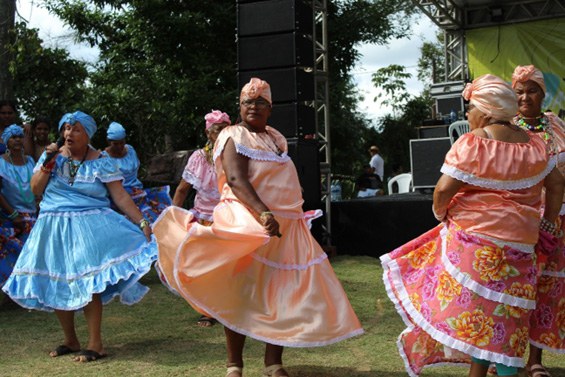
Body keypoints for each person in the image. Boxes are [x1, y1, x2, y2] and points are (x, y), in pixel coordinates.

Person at [154, 78, 363, 377]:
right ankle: (234, 365)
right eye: (247, 102)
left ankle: (273, 363)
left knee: (281, 293)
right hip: (247, 223)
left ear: (270, 108)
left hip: (286, 228)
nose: (254, 107)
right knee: (239, 291)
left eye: (260, 102)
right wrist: (263, 213)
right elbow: (237, 179)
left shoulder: (276, 138)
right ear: (239, 107)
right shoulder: (232, 134)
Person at [380, 74, 564, 377]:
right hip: (521, 248)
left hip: (477, 248)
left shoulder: (473, 143)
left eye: (470, 109)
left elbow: (442, 190)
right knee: (507, 316)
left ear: (487, 111)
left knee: (476, 311)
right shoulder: (534, 145)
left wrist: (441, 213)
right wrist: (548, 222)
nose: (468, 116)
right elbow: (556, 184)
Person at [2, 111, 157, 362]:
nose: (68, 134)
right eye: (65, 129)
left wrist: (141, 220)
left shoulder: (101, 160)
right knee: (58, 280)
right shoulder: (51, 156)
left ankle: (96, 344)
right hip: (52, 224)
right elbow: (34, 190)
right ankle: (70, 340)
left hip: (89, 226)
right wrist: (48, 162)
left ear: (87, 134)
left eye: (75, 130)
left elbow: (120, 196)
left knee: (89, 282)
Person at [512, 64, 565, 377]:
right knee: (514, 287)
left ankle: (535, 360)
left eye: (531, 90)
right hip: (520, 220)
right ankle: (502, 356)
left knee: (544, 289)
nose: (525, 97)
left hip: (555, 220)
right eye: (519, 91)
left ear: (543, 94)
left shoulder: (557, 125)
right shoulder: (506, 127)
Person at [170, 110, 230, 327]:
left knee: (228, 265)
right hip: (204, 219)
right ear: (209, 133)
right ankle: (208, 311)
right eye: (217, 131)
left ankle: (228, 307)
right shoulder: (199, 157)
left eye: (225, 130)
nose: (221, 135)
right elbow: (183, 189)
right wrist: (173, 215)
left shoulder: (234, 154)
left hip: (229, 217)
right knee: (205, 267)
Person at [101, 121, 172, 223]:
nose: (120, 146)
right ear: (109, 142)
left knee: (157, 219)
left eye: (122, 142)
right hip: (121, 196)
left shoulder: (130, 150)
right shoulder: (104, 158)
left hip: (138, 192)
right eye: (115, 144)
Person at [0, 125, 37, 287]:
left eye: (20, 136)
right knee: (11, 255)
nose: (17, 140)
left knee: (30, 255)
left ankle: (26, 292)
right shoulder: (1, 162)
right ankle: (10, 293)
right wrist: (14, 215)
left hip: (32, 216)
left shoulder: (30, 161)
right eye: (13, 137)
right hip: (10, 217)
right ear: (6, 140)